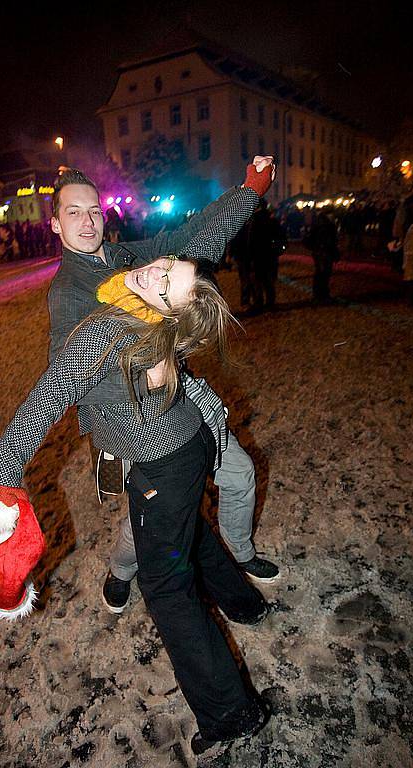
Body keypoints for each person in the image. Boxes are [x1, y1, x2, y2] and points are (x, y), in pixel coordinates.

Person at [0, 252, 272, 755]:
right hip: (187, 447)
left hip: (165, 465)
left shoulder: (113, 330)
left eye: (166, 286)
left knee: (166, 588)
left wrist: (4, 471)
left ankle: (231, 713)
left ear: (166, 312)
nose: (154, 274)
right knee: (193, 534)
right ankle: (246, 605)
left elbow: (47, 398)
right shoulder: (140, 312)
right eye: (166, 267)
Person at [47, 163, 280, 614]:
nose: (88, 220)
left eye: (93, 209)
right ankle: (120, 572)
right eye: (73, 212)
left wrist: (247, 192)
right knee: (149, 522)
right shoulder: (68, 292)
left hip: (183, 399)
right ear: (55, 223)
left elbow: (184, 238)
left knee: (239, 474)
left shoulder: (117, 256)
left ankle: (241, 552)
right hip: (136, 420)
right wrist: (143, 379)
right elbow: (69, 380)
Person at [305, 210, 339, 303]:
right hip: (323, 252)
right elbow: (332, 242)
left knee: (322, 273)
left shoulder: (319, 225)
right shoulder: (327, 227)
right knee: (323, 273)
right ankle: (321, 294)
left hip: (320, 252)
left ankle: (319, 294)